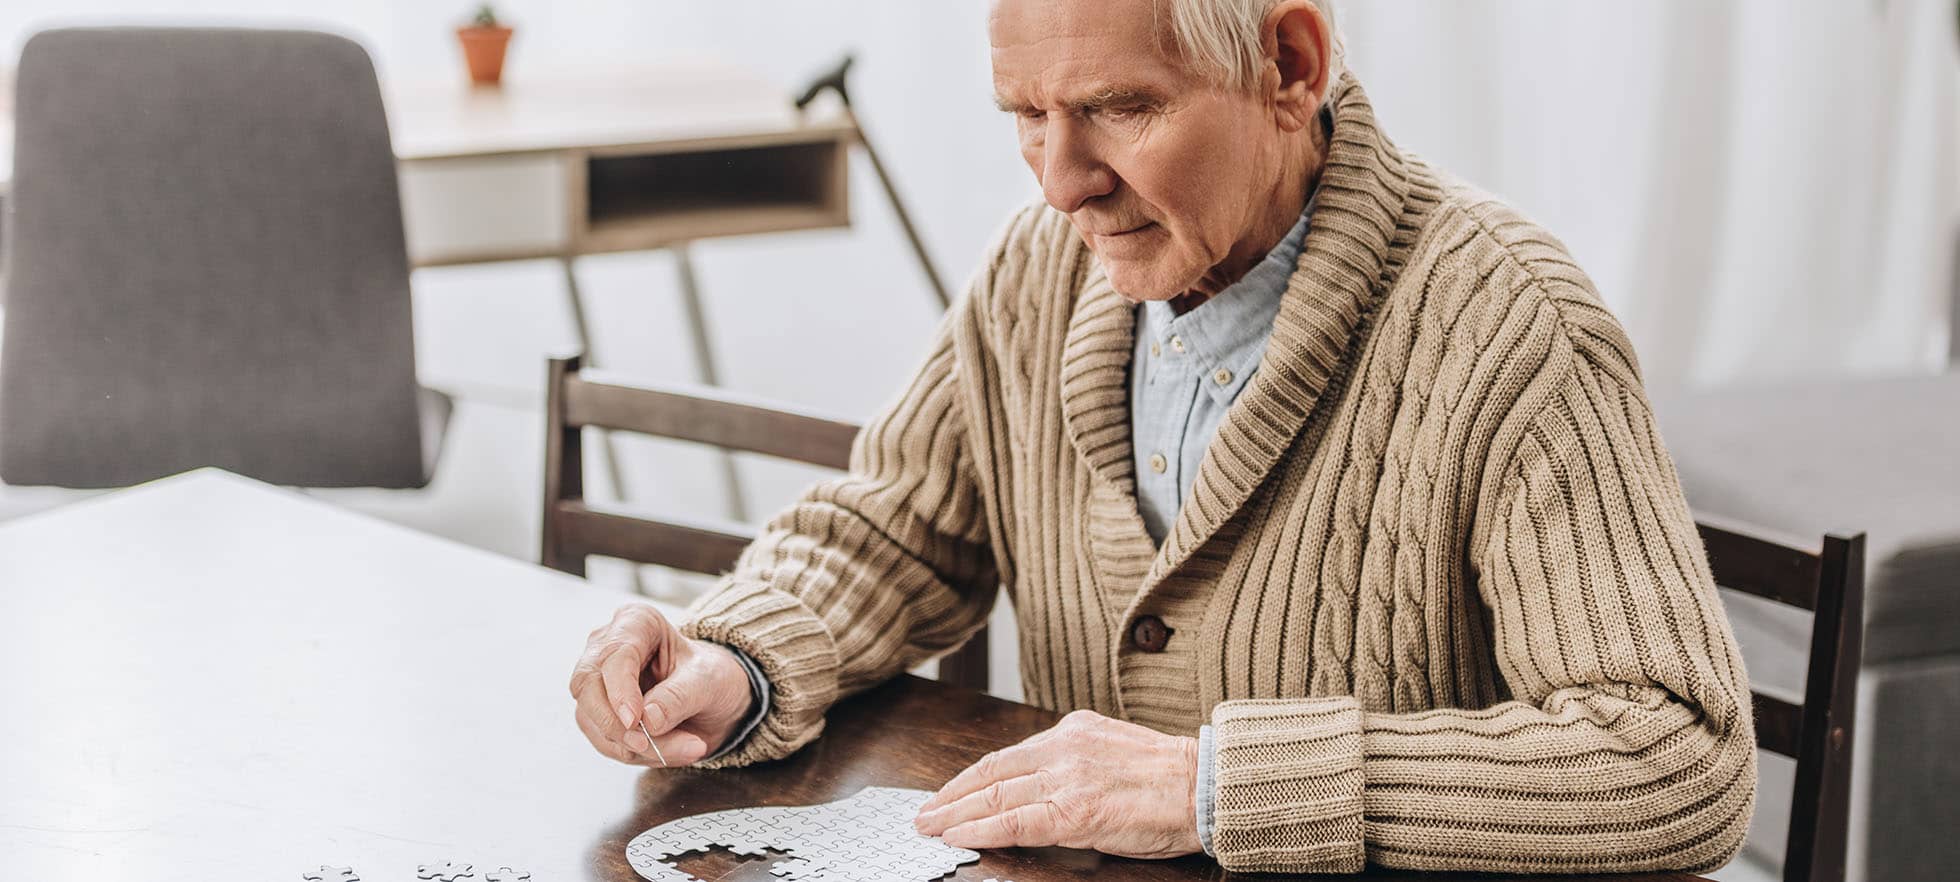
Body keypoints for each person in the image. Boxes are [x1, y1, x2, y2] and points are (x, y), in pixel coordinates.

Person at [569, 0, 1758, 874]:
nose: (1060, 182)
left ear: (1288, 65)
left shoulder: (1511, 327)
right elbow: (900, 528)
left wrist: (1214, 787)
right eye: (1025, 116)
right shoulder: (1041, 267)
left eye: (1117, 109)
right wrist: (737, 660)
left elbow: (1675, 758)